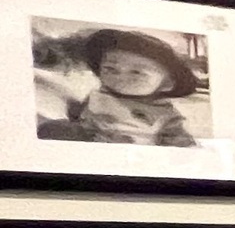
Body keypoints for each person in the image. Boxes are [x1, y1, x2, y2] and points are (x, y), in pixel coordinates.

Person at [35, 27, 200, 147]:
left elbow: (182, 144)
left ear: (167, 83)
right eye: (110, 69)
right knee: (50, 129)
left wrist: (163, 144)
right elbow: (83, 112)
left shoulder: (165, 114)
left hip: (127, 151)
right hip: (85, 137)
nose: (120, 77)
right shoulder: (101, 93)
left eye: (137, 72)